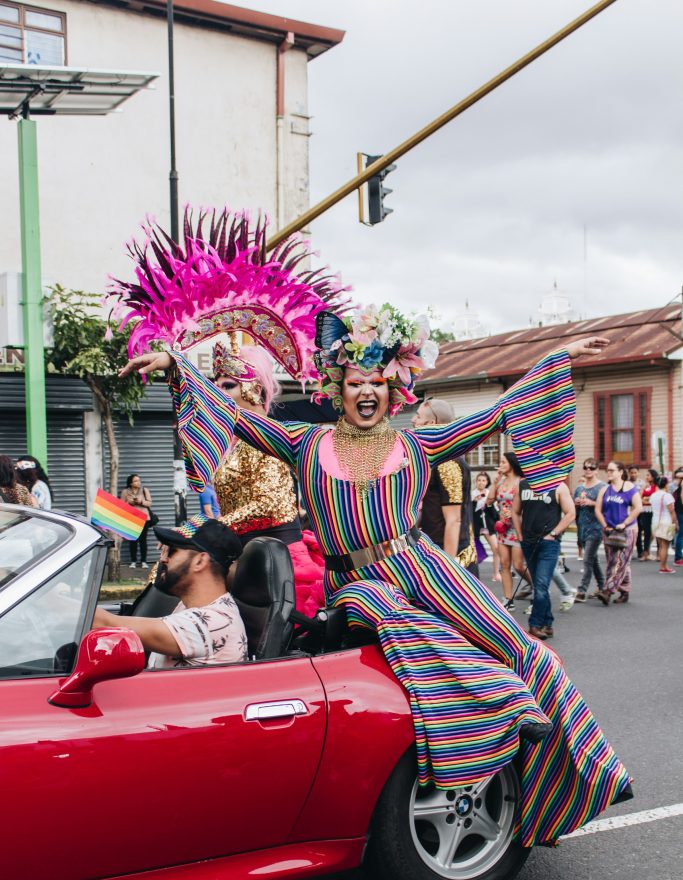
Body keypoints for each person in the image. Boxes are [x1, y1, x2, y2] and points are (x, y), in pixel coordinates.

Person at [114, 209, 632, 847]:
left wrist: (559, 359)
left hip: (421, 564)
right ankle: (507, 705)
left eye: (376, 383)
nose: (365, 391)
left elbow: (499, 413)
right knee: (404, 625)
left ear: (393, 391)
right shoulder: (305, 443)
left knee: (521, 644)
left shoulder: (421, 445)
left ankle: (562, 785)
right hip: (357, 580)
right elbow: (231, 415)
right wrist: (175, 362)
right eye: (353, 381)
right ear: (338, 386)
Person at [210, 338, 325, 618]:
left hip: (274, 562)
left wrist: (210, 527)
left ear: (255, 389)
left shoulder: (269, 437)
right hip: (242, 559)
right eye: (215, 384)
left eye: (227, 385)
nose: (217, 391)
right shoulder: (235, 441)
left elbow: (270, 504)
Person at [93, 517, 247, 669]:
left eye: (172, 551)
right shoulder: (196, 607)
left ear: (200, 562)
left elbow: (105, 623)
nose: (163, 559)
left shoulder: (212, 624)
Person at [411, 398, 478, 576]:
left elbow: (454, 520)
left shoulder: (447, 461)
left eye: (418, 416)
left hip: (451, 560)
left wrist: (447, 572)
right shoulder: (437, 458)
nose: (413, 421)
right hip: (436, 552)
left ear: (431, 423)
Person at [512, 475, 575, 640]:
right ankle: (548, 624)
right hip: (528, 541)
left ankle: (535, 624)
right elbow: (515, 511)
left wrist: (554, 533)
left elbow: (570, 513)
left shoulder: (559, 486)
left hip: (549, 543)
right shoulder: (523, 485)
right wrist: (519, 533)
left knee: (540, 585)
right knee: (539, 584)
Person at [487, 453, 531, 609]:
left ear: (512, 464)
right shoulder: (501, 482)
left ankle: (534, 586)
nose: (500, 464)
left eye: (503, 462)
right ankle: (508, 599)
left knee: (518, 565)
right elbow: (489, 501)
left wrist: (513, 512)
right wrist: (495, 482)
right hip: (503, 528)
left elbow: (528, 505)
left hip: (518, 528)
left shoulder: (523, 482)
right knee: (504, 564)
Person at [594, 461, 642, 604]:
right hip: (609, 530)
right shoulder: (605, 490)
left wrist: (625, 523)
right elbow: (598, 509)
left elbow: (638, 507)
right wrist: (604, 525)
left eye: (612, 470)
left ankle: (607, 591)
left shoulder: (629, 488)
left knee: (619, 561)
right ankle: (625, 590)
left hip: (627, 530)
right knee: (615, 561)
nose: (609, 473)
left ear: (620, 472)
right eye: (608, 470)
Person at [573, 459, 606, 601]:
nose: (588, 470)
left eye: (591, 468)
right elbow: (574, 505)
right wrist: (576, 502)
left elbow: (606, 506)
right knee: (593, 560)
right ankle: (603, 587)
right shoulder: (580, 488)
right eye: (585, 467)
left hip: (596, 527)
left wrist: (591, 503)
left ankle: (581, 591)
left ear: (597, 470)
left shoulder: (602, 487)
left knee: (587, 559)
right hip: (582, 526)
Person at [472, 471, 501, 580]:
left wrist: (488, 504)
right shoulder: (472, 495)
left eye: (483, 480)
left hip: (488, 525)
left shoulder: (490, 494)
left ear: (487, 482)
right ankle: (472, 574)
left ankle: (496, 573)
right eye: (479, 480)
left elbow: (495, 513)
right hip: (476, 526)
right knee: (473, 551)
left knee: (496, 548)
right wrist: (474, 502)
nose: (481, 482)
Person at [120, 474, 153, 568]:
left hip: (144, 518)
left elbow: (150, 503)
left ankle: (144, 561)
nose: (138, 482)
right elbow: (121, 506)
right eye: (135, 481)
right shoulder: (125, 492)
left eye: (139, 480)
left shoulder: (144, 490)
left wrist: (141, 501)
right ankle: (133, 561)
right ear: (131, 483)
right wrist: (129, 502)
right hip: (131, 519)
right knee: (132, 540)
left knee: (143, 540)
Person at [649, 476, 676, 573]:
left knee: (661, 545)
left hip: (655, 522)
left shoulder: (653, 495)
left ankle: (663, 566)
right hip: (666, 522)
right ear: (666, 484)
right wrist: (675, 523)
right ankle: (663, 567)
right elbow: (672, 511)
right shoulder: (667, 496)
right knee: (665, 546)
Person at [636, 468, 658, 560]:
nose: (646, 477)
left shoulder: (656, 486)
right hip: (644, 510)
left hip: (653, 510)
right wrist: (645, 498)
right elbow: (639, 497)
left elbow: (655, 498)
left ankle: (656, 553)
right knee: (646, 532)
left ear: (653, 477)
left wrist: (646, 499)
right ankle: (645, 553)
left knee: (654, 532)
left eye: (648, 475)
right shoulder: (645, 486)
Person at [673, 470, 683, 566]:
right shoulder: (680, 489)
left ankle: (679, 557)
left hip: (679, 511)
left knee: (680, 535)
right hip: (681, 512)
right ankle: (678, 558)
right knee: (681, 535)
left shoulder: (678, 488)